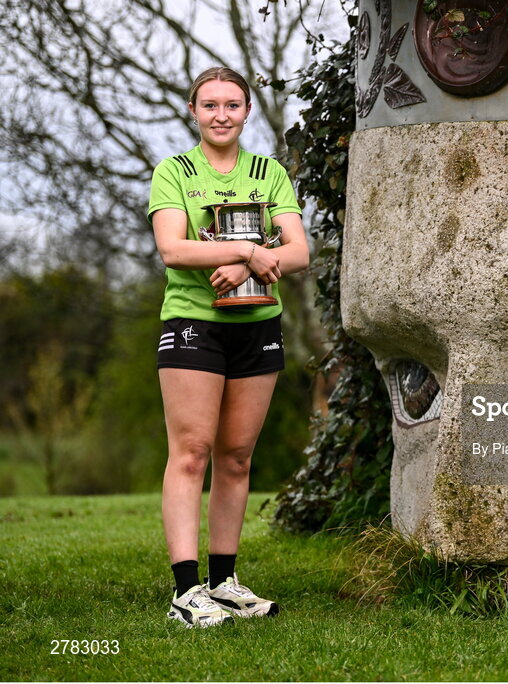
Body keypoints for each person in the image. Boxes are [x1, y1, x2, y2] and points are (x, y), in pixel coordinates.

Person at [148, 66, 309, 628]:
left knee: (236, 457)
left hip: (258, 324)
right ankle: (186, 592)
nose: (221, 114)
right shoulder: (174, 171)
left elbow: (299, 253)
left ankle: (224, 583)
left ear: (245, 112)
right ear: (193, 111)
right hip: (195, 323)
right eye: (210, 105)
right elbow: (171, 249)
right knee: (191, 453)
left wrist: (253, 260)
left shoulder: (269, 174)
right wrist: (246, 251)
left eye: (233, 105)